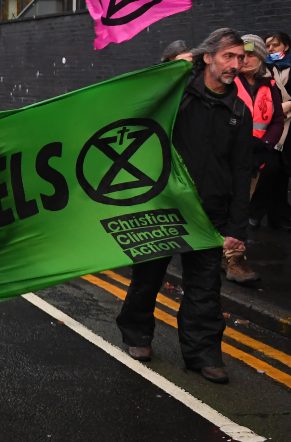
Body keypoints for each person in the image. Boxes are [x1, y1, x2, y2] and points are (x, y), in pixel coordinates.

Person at [117, 28, 252, 384]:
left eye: (240, 58)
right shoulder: (177, 94)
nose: (236, 64)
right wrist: (172, 70)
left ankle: (203, 354)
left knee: (205, 288)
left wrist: (237, 228)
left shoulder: (238, 108)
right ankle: (137, 334)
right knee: (148, 277)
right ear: (207, 57)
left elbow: (241, 171)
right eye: (229, 56)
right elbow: (138, 99)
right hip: (164, 206)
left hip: (211, 214)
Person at [238, 35, 285, 247]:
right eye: (241, 56)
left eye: (250, 55)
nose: (244, 60)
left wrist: (266, 145)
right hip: (232, 157)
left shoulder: (270, 84)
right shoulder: (229, 83)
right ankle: (226, 256)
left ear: (261, 58)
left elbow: (277, 118)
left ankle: (233, 252)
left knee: (242, 205)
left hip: (257, 158)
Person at [254, 31, 291, 229]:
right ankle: (258, 213)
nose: (270, 50)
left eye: (275, 45)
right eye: (267, 46)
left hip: (288, 128)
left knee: (281, 173)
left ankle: (279, 216)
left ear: (285, 46)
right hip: (274, 129)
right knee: (271, 171)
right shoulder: (266, 69)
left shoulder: (287, 69)